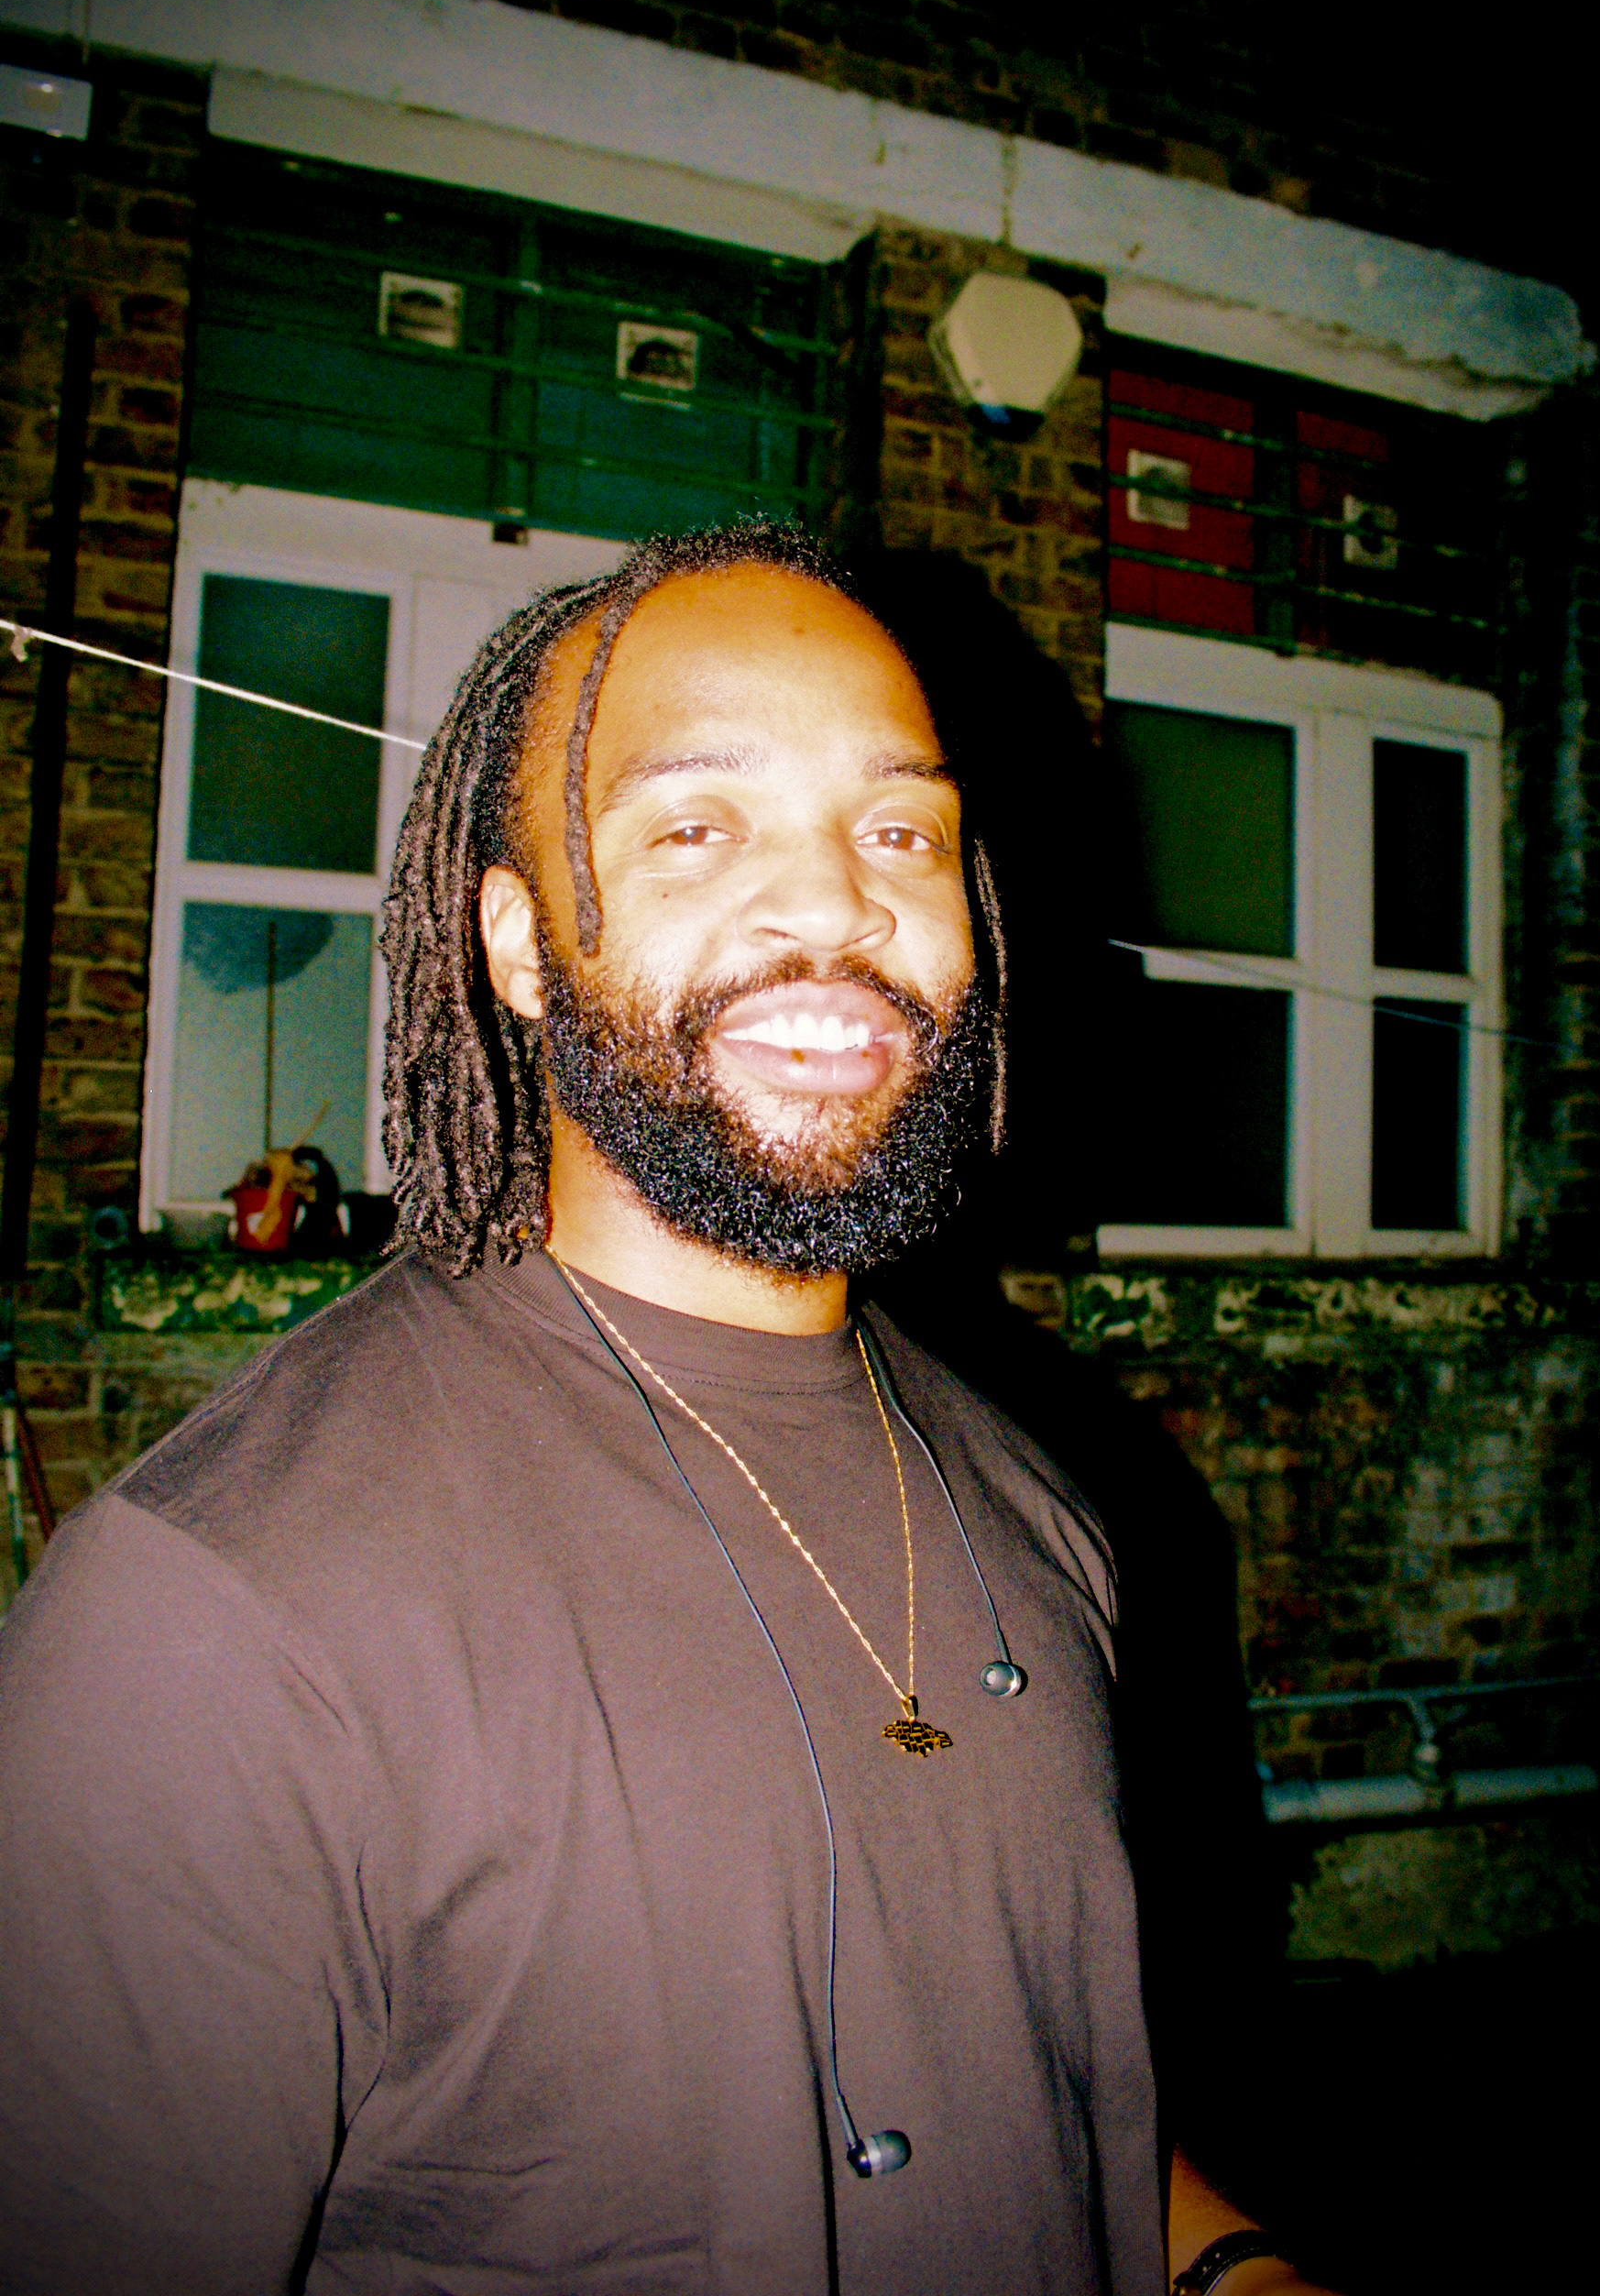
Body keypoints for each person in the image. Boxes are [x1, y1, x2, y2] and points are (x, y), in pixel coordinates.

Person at [0, 522, 1330, 2295]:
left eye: (900, 831)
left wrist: (1231, 2271)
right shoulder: (215, 1611)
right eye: (697, 827)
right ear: (518, 942)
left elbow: (1032, 2084)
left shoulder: (1042, 1501)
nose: (838, 906)